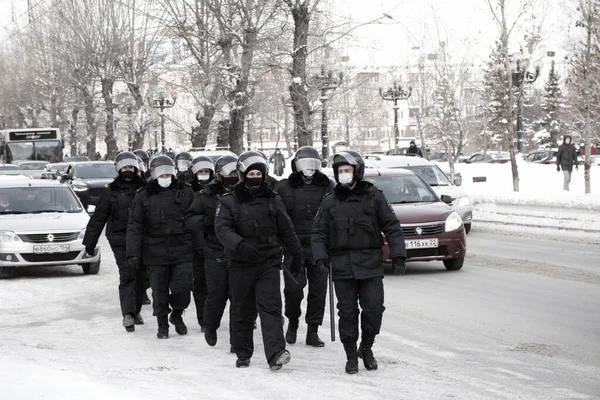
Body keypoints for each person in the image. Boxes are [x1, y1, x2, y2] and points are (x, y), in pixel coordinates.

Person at [311, 150, 407, 374]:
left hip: (370, 264)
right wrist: (320, 257)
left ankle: (367, 347)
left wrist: (399, 253)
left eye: (348, 170)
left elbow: (392, 226)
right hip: (342, 266)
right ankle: (351, 354)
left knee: (374, 308)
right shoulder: (329, 202)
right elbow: (318, 233)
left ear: (358, 171)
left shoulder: (374, 196)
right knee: (347, 312)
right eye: (340, 171)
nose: (344, 174)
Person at [214, 151, 303, 370]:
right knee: (242, 308)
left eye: (258, 173)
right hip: (241, 263)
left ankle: (276, 353)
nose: (255, 177)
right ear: (243, 175)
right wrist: (240, 245)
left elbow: (286, 228)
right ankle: (243, 352)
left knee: (271, 307)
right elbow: (222, 229)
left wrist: (297, 253)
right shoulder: (228, 201)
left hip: (268, 261)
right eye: (251, 173)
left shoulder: (273, 199)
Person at [126, 155, 195, 339]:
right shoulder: (143, 195)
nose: (165, 177)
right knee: (159, 291)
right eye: (161, 173)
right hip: (154, 250)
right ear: (153, 174)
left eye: (168, 173)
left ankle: (177, 314)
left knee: (183, 288)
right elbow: (135, 225)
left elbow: (196, 218)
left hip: (182, 248)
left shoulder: (186, 192)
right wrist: (133, 253)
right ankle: (162, 324)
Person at [82, 152, 147, 332]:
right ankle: (128, 314)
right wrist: (90, 242)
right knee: (127, 274)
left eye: (131, 168)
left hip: (143, 239)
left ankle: (135, 310)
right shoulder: (110, 191)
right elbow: (98, 218)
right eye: (125, 168)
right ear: (119, 169)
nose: (128, 171)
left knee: (141, 275)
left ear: (136, 168)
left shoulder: (146, 188)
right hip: (120, 239)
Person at [276, 146, 334, 347]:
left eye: (313, 165)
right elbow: (276, 216)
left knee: (318, 292)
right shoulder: (284, 188)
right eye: (306, 164)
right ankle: (292, 322)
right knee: (293, 291)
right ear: (297, 166)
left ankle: (312, 330)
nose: (310, 169)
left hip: (319, 247)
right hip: (294, 247)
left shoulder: (327, 186)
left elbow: (336, 214)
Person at [185, 155, 237, 344]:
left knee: (238, 296)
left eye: (236, 172)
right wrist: (207, 221)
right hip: (215, 250)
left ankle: (237, 340)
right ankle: (210, 324)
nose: (234, 176)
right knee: (217, 294)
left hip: (239, 250)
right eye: (230, 172)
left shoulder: (245, 192)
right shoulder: (207, 195)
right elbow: (190, 219)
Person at [186, 155, 215, 331]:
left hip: (217, 244)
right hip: (195, 246)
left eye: (206, 172)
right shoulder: (188, 192)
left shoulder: (219, 191)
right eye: (200, 172)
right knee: (200, 284)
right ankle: (203, 319)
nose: (203, 175)